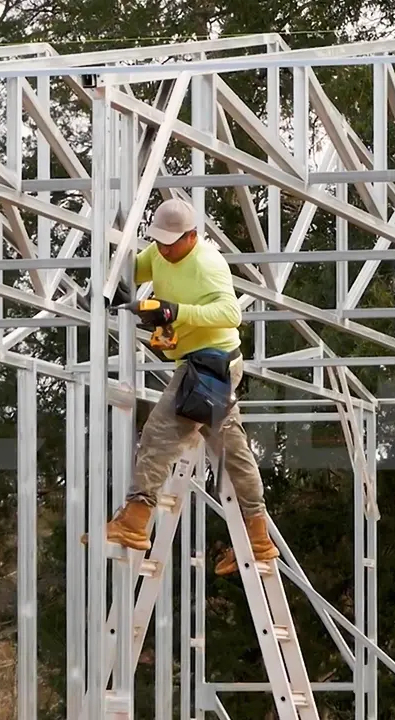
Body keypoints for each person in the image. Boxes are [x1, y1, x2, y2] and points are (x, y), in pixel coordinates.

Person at [102, 197, 277, 576]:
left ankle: (134, 521)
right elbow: (130, 269)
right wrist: (119, 285)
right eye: (159, 241)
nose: (163, 249)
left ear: (192, 236)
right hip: (205, 363)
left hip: (210, 364)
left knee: (159, 434)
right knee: (233, 450)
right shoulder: (160, 251)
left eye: (171, 242)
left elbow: (231, 313)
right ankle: (258, 538)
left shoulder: (208, 264)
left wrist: (176, 312)